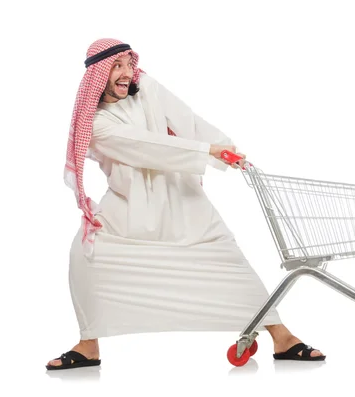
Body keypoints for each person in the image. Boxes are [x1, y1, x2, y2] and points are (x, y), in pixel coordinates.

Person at [46, 38, 325, 370]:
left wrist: (222, 146)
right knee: (85, 255)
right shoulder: (96, 125)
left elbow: (186, 118)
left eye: (127, 63)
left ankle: (282, 336)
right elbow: (147, 146)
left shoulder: (145, 86)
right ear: (99, 74)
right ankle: (88, 344)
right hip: (132, 211)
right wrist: (206, 152)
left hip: (183, 200)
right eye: (116, 66)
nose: (125, 72)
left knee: (229, 259)